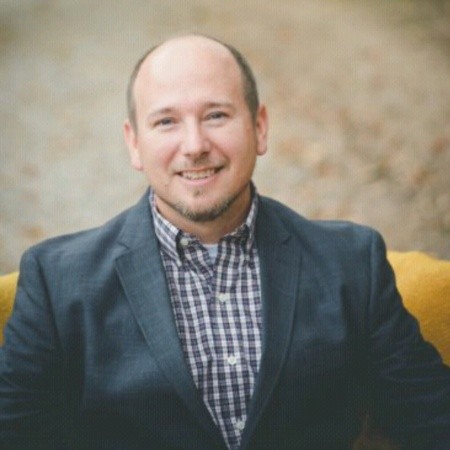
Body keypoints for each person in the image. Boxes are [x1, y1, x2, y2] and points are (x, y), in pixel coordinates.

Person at [0, 34, 449, 450]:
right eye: (166, 121)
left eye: (216, 115)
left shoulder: (353, 264)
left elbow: (432, 418)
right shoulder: (57, 283)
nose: (194, 145)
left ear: (260, 127)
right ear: (134, 143)